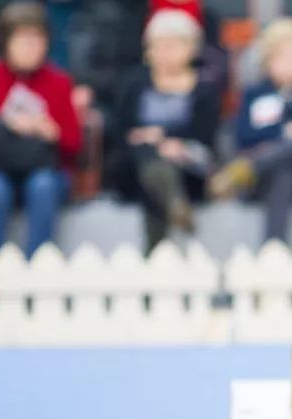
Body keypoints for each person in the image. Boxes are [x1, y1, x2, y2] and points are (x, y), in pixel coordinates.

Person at [0, 2, 81, 260]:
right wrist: (7, 125)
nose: (30, 47)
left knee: (43, 185)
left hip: (43, 169)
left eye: (36, 39)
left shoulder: (59, 82)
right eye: (23, 39)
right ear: (6, 42)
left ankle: (37, 266)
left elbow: (73, 144)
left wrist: (49, 130)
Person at [209, 18, 292, 244]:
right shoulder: (255, 94)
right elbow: (243, 136)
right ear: (267, 61)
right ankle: (274, 248)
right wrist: (284, 134)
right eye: (284, 57)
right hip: (263, 180)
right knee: (283, 170)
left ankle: (248, 167)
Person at [111, 10, 223, 252]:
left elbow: (206, 136)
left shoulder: (205, 89)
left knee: (158, 170)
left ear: (191, 48)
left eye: (173, 46)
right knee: (148, 156)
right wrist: (151, 140)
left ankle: (154, 253)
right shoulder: (134, 84)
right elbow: (119, 130)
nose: (165, 53)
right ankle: (174, 205)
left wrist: (173, 143)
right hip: (138, 165)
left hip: (188, 166)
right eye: (159, 46)